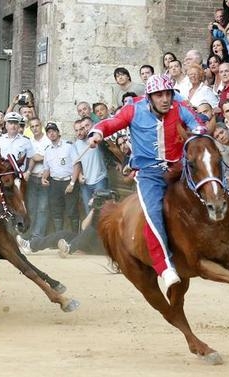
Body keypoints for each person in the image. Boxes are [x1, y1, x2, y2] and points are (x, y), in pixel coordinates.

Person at [88, 74, 207, 290]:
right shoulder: (133, 109)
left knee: (211, 184)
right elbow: (112, 123)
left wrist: (198, 133)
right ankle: (165, 267)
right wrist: (97, 132)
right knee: (153, 214)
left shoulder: (179, 108)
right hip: (149, 174)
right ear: (149, 97)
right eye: (159, 95)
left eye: (168, 94)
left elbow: (197, 124)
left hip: (179, 169)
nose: (165, 99)